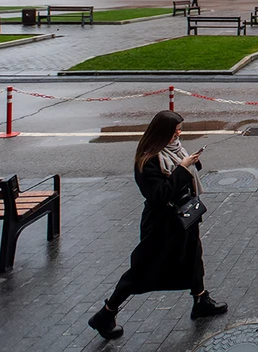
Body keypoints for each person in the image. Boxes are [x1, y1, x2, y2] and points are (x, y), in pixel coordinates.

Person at [87, 110, 227, 340]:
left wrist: (192, 164)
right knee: (142, 270)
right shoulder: (148, 159)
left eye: (180, 129)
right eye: (175, 131)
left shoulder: (173, 149)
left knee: (193, 254)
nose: (179, 134)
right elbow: (158, 194)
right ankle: (105, 313)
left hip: (184, 215)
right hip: (162, 224)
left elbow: (183, 175)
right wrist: (182, 168)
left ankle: (201, 299)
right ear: (162, 133)